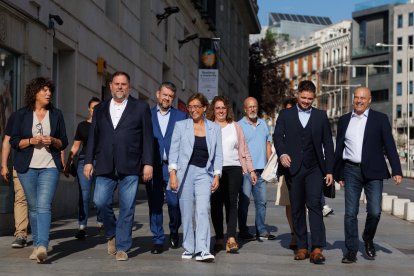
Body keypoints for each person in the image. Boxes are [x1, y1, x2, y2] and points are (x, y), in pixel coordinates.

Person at [84, 71, 153, 261]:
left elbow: (147, 137)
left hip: (130, 164)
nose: (120, 87)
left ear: (129, 87)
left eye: (123, 84)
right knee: (100, 201)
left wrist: (148, 163)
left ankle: (122, 247)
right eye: (116, 84)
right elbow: (93, 137)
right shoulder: (100, 109)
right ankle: (112, 231)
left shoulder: (140, 107)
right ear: (110, 86)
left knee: (127, 207)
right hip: (105, 163)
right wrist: (88, 160)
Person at [333, 87, 402, 264]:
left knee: (375, 211)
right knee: (350, 213)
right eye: (356, 97)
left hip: (374, 171)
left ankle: (368, 237)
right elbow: (339, 148)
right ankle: (351, 250)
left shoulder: (380, 119)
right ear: (353, 99)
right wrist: (337, 172)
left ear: (370, 100)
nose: (359, 101)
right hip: (350, 170)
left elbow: (390, 145)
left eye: (363, 98)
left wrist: (396, 170)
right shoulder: (344, 120)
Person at [273, 80, 334, 264]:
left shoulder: (321, 116)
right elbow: (278, 136)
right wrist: (282, 153)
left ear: (314, 97)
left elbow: (328, 144)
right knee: (297, 207)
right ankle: (301, 246)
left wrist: (330, 170)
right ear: (297, 95)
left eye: (310, 98)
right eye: (303, 97)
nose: (306, 101)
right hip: (294, 168)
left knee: (315, 205)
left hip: (315, 168)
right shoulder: (285, 115)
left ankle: (316, 247)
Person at [10, 77, 68, 263]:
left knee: (43, 205)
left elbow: (63, 141)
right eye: (44, 90)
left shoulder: (57, 114)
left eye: (50, 90)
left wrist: (53, 140)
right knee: (33, 207)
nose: (48, 93)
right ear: (35, 93)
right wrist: (31, 141)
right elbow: (14, 141)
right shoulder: (21, 115)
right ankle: (36, 244)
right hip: (26, 167)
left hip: (49, 166)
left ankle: (42, 245)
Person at [168, 92, 223, 262]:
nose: (193, 110)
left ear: (204, 108)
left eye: (196, 106)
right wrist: (173, 174)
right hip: (185, 172)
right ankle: (189, 247)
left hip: (204, 173)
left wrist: (217, 175)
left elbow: (219, 155)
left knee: (203, 210)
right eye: (190, 107)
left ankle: (202, 249)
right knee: (186, 211)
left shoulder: (214, 128)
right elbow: (173, 152)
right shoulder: (181, 126)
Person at [206, 96, 257, 253]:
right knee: (215, 204)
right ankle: (219, 238)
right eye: (217, 108)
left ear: (227, 109)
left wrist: (251, 169)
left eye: (223, 108)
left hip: (234, 168)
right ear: (213, 110)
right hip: (214, 170)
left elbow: (244, 149)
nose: (221, 111)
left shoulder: (235, 127)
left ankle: (231, 238)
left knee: (231, 203)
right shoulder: (208, 126)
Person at [147, 82, 187, 254]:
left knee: (174, 203)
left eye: (170, 96)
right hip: (154, 166)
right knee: (155, 204)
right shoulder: (147, 115)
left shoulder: (181, 116)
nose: (167, 98)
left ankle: (173, 229)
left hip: (174, 168)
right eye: (164, 95)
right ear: (158, 94)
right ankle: (157, 239)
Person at [63, 97, 103, 239]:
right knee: (84, 195)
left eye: (98, 108)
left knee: (100, 195)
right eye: (93, 108)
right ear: (89, 109)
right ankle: (82, 227)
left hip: (102, 162)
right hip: (83, 162)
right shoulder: (82, 126)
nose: (95, 110)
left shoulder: (105, 125)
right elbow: (75, 146)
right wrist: (68, 165)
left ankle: (101, 223)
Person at [238, 97, 275, 241]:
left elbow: (267, 145)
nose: (253, 109)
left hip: (261, 171)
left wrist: (270, 166)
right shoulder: (239, 125)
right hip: (246, 171)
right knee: (244, 202)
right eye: (250, 107)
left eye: (255, 106)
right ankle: (242, 230)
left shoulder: (263, 124)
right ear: (245, 109)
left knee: (262, 202)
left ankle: (261, 229)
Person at [1, 112, 29, 248]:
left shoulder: (51, 114)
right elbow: (7, 140)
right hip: (20, 164)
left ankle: (40, 233)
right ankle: (20, 234)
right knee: (20, 198)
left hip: (44, 166)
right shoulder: (18, 116)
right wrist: (4, 165)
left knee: (40, 202)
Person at [275, 97, 297, 250]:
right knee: (289, 203)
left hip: (303, 169)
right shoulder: (282, 121)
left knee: (300, 204)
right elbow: (276, 138)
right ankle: (294, 233)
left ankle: (299, 232)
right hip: (286, 168)